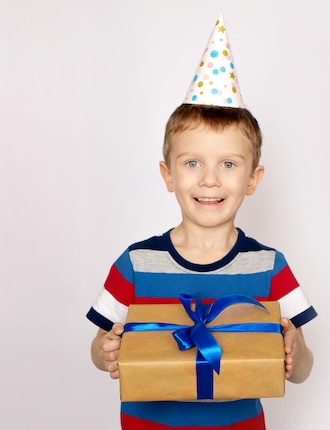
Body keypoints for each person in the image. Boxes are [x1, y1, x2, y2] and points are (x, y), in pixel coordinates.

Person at [86, 14, 317, 430]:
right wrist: (103, 352)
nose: (209, 179)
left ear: (252, 180)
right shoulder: (136, 263)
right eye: (192, 163)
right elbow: (100, 345)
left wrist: (296, 353)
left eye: (228, 164)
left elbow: (301, 371)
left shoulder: (270, 266)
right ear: (168, 174)